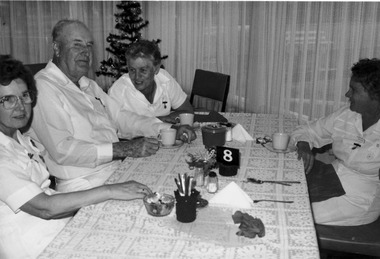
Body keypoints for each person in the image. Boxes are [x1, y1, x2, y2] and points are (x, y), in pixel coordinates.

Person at [0, 55, 153, 258]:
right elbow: (45, 208)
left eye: (24, 96)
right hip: (35, 246)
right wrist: (109, 191)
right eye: (8, 99)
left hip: (57, 228)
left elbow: (49, 197)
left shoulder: (19, 139)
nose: (20, 106)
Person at [28, 19, 196, 192]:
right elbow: (63, 150)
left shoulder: (88, 85)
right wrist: (124, 148)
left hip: (115, 171)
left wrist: (168, 128)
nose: (86, 52)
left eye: (89, 46)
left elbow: (122, 118)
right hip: (84, 184)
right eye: (77, 45)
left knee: (182, 179)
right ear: (57, 48)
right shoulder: (43, 87)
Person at [290, 58, 380, 226]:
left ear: (375, 96)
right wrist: (303, 145)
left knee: (295, 212)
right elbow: (307, 130)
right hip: (332, 176)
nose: (347, 94)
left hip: (359, 199)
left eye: (354, 90)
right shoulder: (346, 115)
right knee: (283, 191)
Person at [109, 39, 194, 124]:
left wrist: (164, 119)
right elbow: (111, 127)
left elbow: (187, 111)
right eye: (132, 70)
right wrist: (155, 122)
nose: (137, 77)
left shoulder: (165, 79)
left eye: (143, 70)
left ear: (156, 69)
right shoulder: (118, 91)